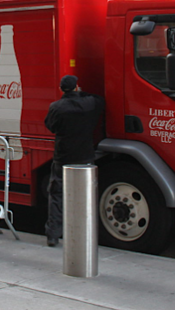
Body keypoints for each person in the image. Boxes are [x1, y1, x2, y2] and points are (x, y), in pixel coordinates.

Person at [44, 74, 105, 247]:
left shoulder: (56, 107)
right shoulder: (89, 104)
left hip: (63, 156)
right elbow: (100, 100)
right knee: (84, 195)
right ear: (77, 87)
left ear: (61, 89)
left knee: (56, 195)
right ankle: (83, 233)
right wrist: (82, 94)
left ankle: (53, 235)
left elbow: (50, 126)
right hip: (85, 156)